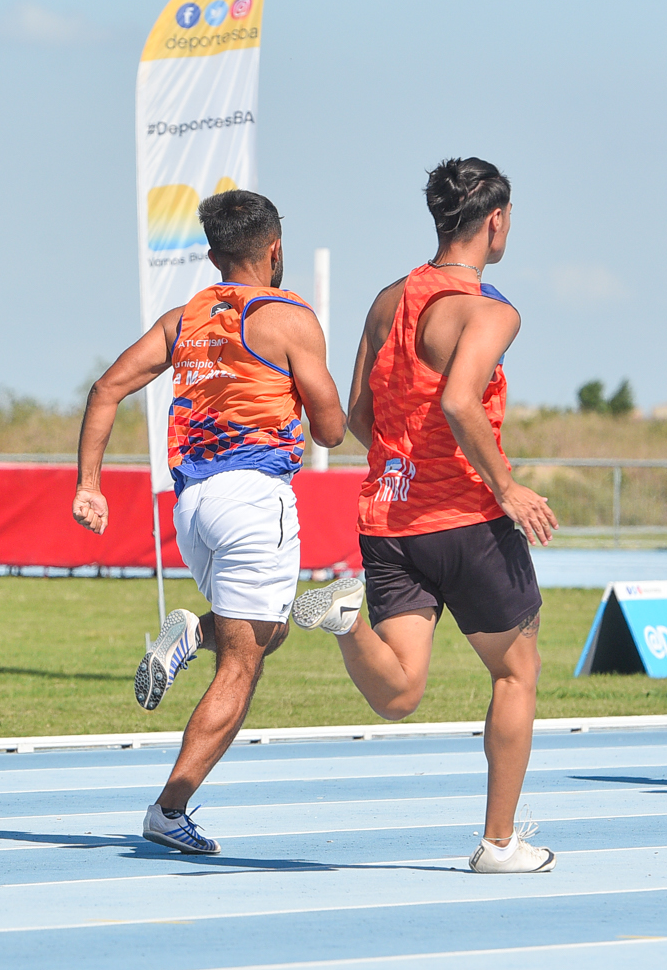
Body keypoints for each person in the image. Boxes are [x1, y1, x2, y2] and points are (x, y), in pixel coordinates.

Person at [291, 157, 560, 874]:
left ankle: (347, 622)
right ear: (495, 220)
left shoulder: (388, 301)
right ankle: (500, 842)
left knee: (401, 690)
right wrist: (506, 486)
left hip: (387, 520)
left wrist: (403, 457)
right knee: (515, 674)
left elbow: (358, 415)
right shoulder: (491, 311)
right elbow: (460, 400)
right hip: (467, 519)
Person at [73, 190, 344, 855]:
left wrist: (89, 484)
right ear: (274, 248)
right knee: (243, 664)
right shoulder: (291, 319)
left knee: (264, 631)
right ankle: (170, 808)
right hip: (255, 497)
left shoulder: (182, 319)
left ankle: (191, 628)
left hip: (190, 505)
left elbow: (105, 387)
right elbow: (332, 430)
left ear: (214, 253)